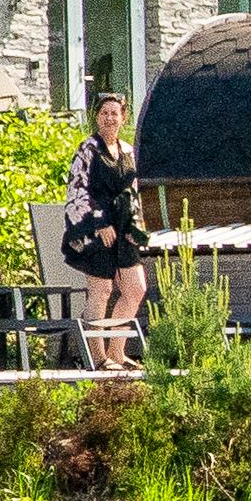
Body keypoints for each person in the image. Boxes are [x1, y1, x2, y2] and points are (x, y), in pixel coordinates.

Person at [59, 88, 160, 371]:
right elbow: (76, 192)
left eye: (114, 113)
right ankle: (97, 356)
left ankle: (117, 353)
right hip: (95, 230)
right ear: (97, 117)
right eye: (104, 113)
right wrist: (99, 222)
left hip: (122, 228)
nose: (109, 118)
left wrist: (134, 227)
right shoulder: (88, 150)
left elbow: (133, 193)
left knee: (135, 288)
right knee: (101, 289)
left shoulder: (128, 151)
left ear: (123, 117)